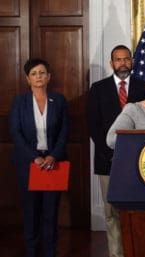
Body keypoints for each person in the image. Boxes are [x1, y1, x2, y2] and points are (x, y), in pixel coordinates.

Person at [87, 45, 145, 257]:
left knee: (137, 210)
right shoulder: (98, 88)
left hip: (139, 160)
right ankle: (116, 254)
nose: (122, 63)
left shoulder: (144, 87)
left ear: (132, 61)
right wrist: (109, 151)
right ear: (111, 63)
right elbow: (93, 125)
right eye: (118, 59)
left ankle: (136, 251)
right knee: (111, 212)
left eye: (126, 59)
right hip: (106, 159)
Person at [10, 58, 69, 257]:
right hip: (29, 164)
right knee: (31, 212)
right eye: (34, 73)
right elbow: (15, 133)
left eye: (42, 73)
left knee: (51, 213)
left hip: (54, 163)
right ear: (28, 79)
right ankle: (32, 252)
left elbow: (64, 131)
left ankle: (50, 252)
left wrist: (53, 155)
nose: (38, 77)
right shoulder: (19, 102)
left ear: (49, 77)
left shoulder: (59, 100)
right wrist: (34, 158)